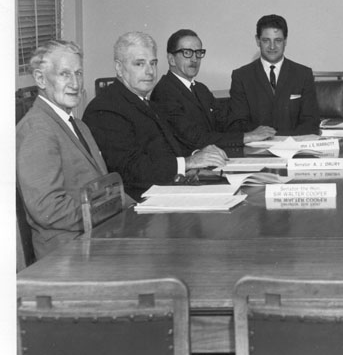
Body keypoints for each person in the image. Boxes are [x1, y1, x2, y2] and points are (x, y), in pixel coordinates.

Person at [83, 32, 227, 200]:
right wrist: (188, 162)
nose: (150, 71)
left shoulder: (148, 103)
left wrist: (199, 152)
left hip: (169, 192)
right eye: (139, 64)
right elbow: (130, 170)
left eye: (153, 63)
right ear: (119, 67)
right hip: (140, 207)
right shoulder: (106, 108)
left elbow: (169, 149)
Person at [16, 40, 109, 258]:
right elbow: (47, 209)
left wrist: (138, 209)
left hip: (95, 237)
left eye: (78, 73)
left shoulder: (79, 125)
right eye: (64, 74)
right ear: (40, 78)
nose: (75, 83)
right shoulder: (36, 130)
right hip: (66, 253)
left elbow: (101, 187)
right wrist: (109, 213)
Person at [150, 28, 276, 153]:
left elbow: (227, 123)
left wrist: (263, 131)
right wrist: (247, 137)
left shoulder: (200, 89)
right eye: (187, 53)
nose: (195, 59)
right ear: (171, 59)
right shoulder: (164, 92)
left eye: (198, 52)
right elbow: (195, 138)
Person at [227, 14, 320, 136]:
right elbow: (238, 123)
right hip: (255, 149)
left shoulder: (303, 74)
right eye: (266, 40)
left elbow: (311, 121)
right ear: (257, 40)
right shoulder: (241, 76)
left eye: (278, 40)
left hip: (294, 147)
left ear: (285, 41)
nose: (272, 47)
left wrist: (286, 141)